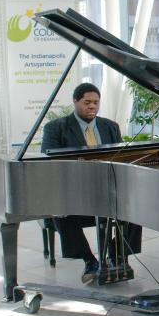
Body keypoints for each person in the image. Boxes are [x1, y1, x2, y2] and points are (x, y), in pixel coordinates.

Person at [41, 82, 142, 283]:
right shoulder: (55, 129)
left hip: (106, 191)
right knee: (61, 213)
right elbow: (49, 163)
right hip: (73, 194)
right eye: (87, 102)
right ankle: (89, 261)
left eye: (96, 102)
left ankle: (116, 255)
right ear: (75, 101)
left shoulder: (110, 127)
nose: (92, 107)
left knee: (137, 211)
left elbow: (119, 160)